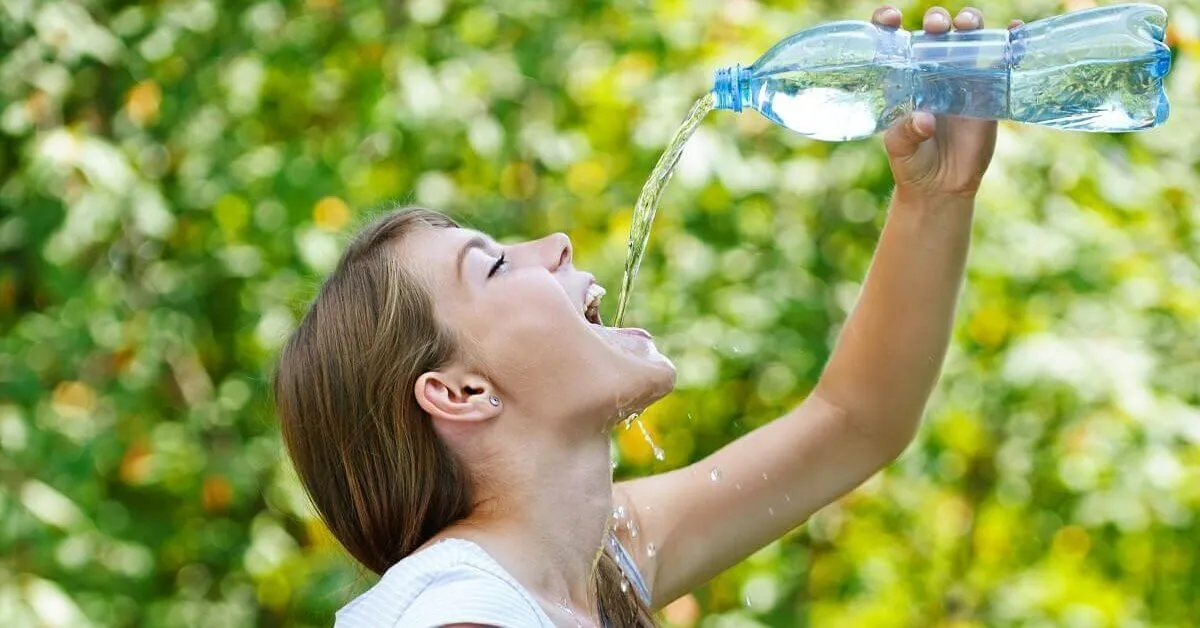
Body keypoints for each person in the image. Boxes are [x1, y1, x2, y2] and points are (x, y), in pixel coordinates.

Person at [274, 5, 1023, 626]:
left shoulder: (595, 566)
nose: (557, 245)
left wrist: (935, 197)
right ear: (461, 392)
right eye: (495, 264)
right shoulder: (460, 611)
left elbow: (856, 422)